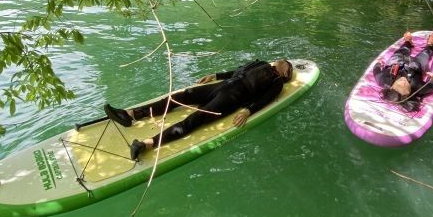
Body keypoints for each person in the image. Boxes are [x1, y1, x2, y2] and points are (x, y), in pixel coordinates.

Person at [104, 59, 294, 161]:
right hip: (222, 86)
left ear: (285, 71)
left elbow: (266, 100)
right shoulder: (261, 64)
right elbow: (238, 71)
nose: (279, 61)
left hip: (232, 98)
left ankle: (146, 144)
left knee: (195, 119)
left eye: (282, 63)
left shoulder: (276, 82)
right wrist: (215, 75)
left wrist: (248, 111)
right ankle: (131, 114)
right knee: (181, 95)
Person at [373, 31, 433, 111]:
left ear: (391, 87)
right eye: (405, 86)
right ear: (410, 93)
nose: (403, 82)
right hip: (417, 65)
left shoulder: (383, 80)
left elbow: (376, 70)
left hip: (397, 60)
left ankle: (408, 41)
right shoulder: (419, 87)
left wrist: (378, 63)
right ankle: (430, 44)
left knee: (403, 50)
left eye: (398, 85)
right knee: (425, 55)